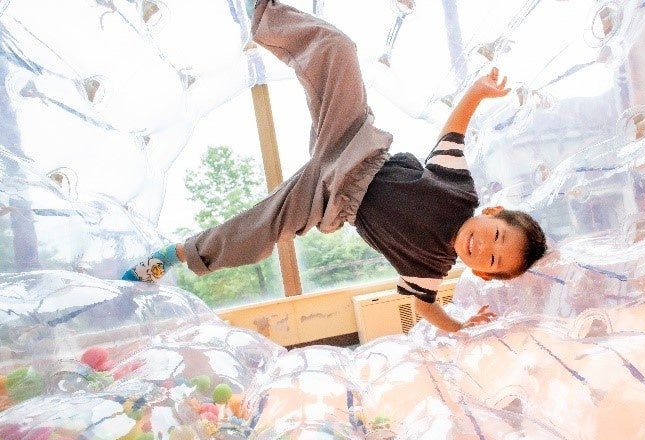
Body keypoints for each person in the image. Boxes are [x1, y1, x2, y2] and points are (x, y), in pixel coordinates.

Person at [122, 0, 547, 332]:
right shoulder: (459, 192)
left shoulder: (429, 270)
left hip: (329, 200)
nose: (482, 247)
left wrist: (457, 327)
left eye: (490, 260)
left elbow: (424, 309)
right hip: (355, 144)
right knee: (339, 48)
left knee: (257, 231)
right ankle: (263, 13)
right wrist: (475, 91)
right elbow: (451, 134)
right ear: (491, 213)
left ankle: (176, 254)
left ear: (480, 274)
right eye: (494, 236)